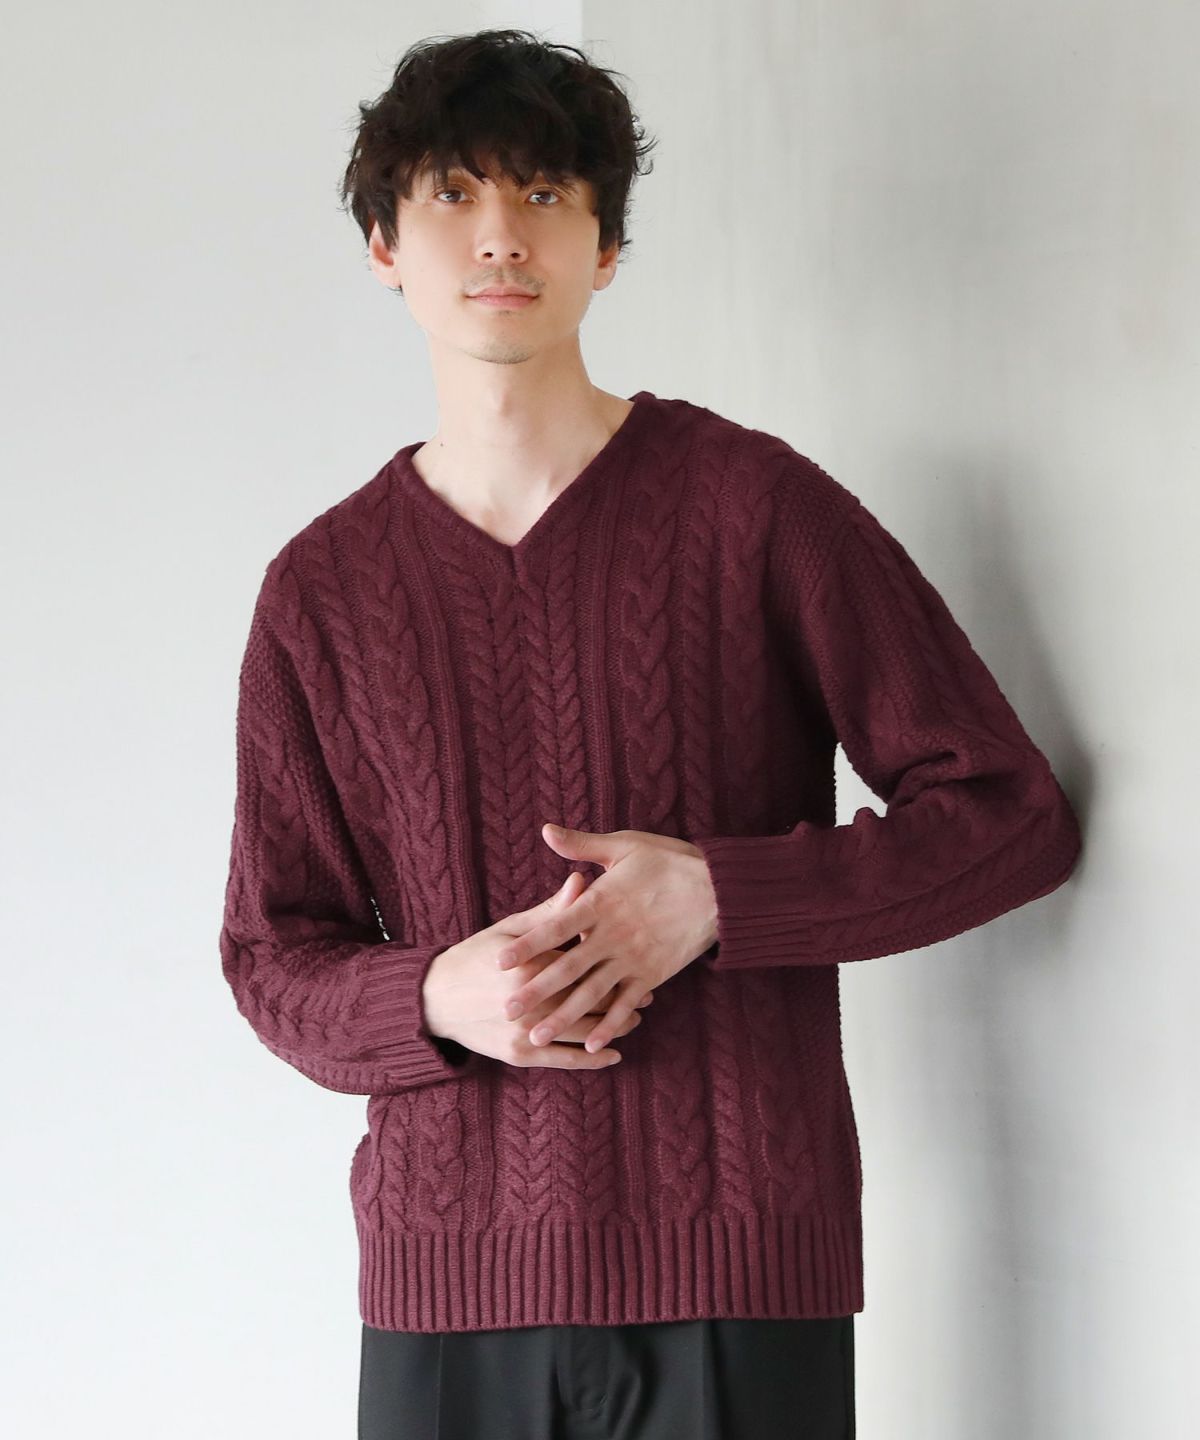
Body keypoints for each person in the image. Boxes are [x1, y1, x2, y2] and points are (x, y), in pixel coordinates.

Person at [218, 27, 1082, 1440]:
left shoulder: (758, 508)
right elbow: (272, 957)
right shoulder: (319, 591)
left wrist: (721, 898)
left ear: (606, 248)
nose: (501, 235)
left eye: (544, 194)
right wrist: (433, 999)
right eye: (453, 193)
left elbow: (1008, 816)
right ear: (384, 245)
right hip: (448, 1290)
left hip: (742, 1276)